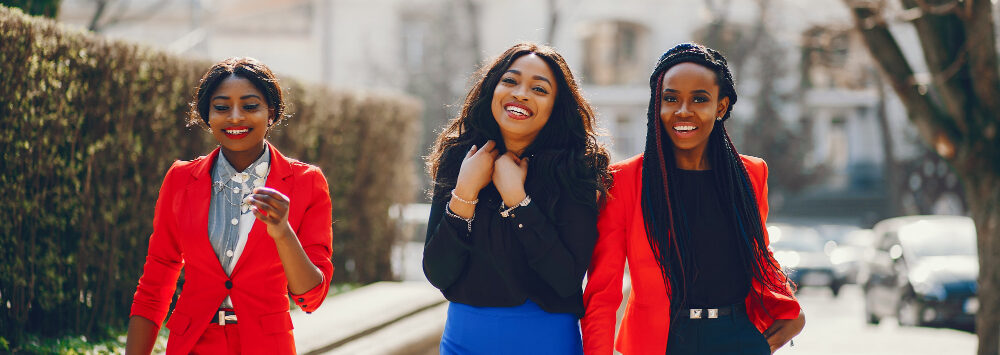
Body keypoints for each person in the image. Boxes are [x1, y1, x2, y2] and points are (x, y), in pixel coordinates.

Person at [582, 43, 805, 355]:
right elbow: (602, 293)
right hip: (662, 341)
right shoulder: (624, 181)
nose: (683, 111)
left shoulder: (751, 174)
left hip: (738, 335)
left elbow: (758, 252)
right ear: (656, 106)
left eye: (699, 99)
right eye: (670, 99)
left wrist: (789, 307)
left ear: (721, 106)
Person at [125, 57, 334, 355]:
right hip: (192, 345)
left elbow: (311, 297)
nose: (235, 117)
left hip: (266, 347)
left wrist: (283, 233)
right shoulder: (181, 180)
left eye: (250, 106)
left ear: (271, 113)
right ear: (207, 115)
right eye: (221, 107)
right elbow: (155, 285)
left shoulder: (307, 183)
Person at [423, 42, 612, 354]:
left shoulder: (576, 170)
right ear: (492, 89)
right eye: (510, 81)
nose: (521, 93)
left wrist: (518, 201)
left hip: (545, 344)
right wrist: (465, 193)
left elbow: (565, 279)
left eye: (539, 89)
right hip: (463, 343)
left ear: (556, 106)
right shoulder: (460, 158)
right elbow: (438, 272)